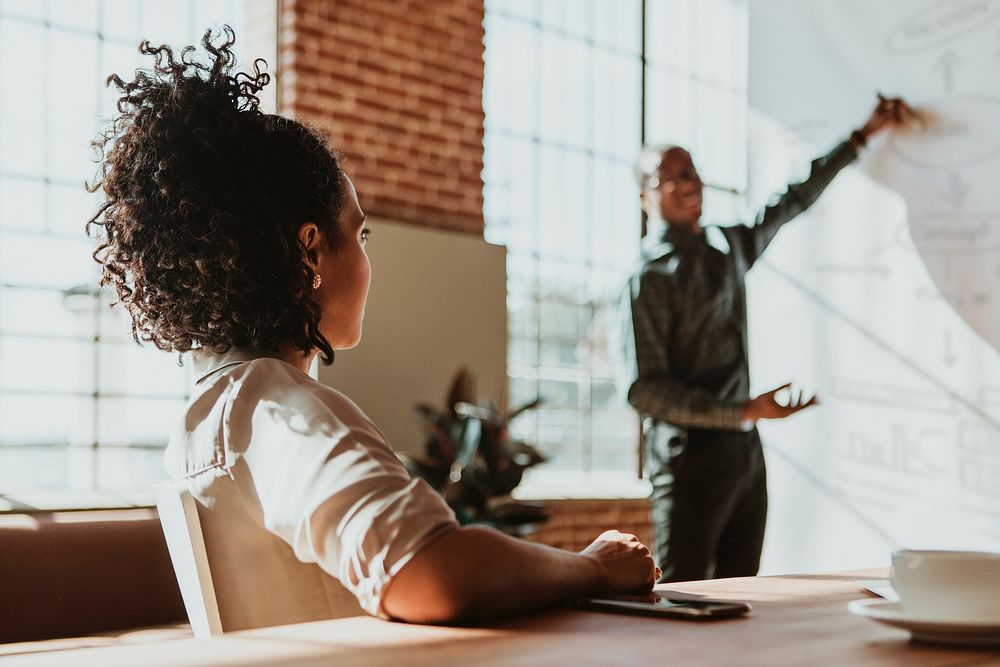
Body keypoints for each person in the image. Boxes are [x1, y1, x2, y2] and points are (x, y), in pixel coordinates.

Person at [86, 28, 657, 625]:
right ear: (309, 252)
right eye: (360, 235)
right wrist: (593, 567)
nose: (366, 260)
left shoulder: (208, 416)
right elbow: (431, 572)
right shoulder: (278, 409)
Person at [621, 95, 917, 583]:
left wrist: (861, 138)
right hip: (688, 463)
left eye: (689, 171)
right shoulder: (648, 277)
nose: (684, 183)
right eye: (665, 177)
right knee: (683, 601)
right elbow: (644, 389)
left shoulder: (728, 248)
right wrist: (740, 412)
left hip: (744, 459)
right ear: (645, 198)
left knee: (743, 597)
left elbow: (792, 201)